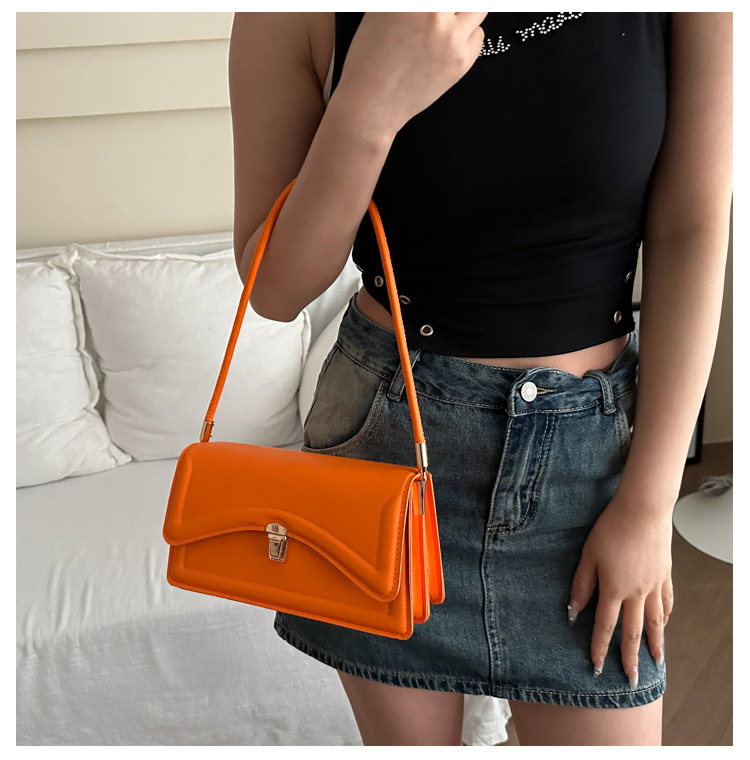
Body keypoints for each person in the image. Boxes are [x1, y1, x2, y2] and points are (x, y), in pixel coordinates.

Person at [228, 12, 732, 746]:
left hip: (590, 467)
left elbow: (692, 229)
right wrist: (369, 103)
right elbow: (274, 289)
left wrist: (649, 506)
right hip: (386, 448)